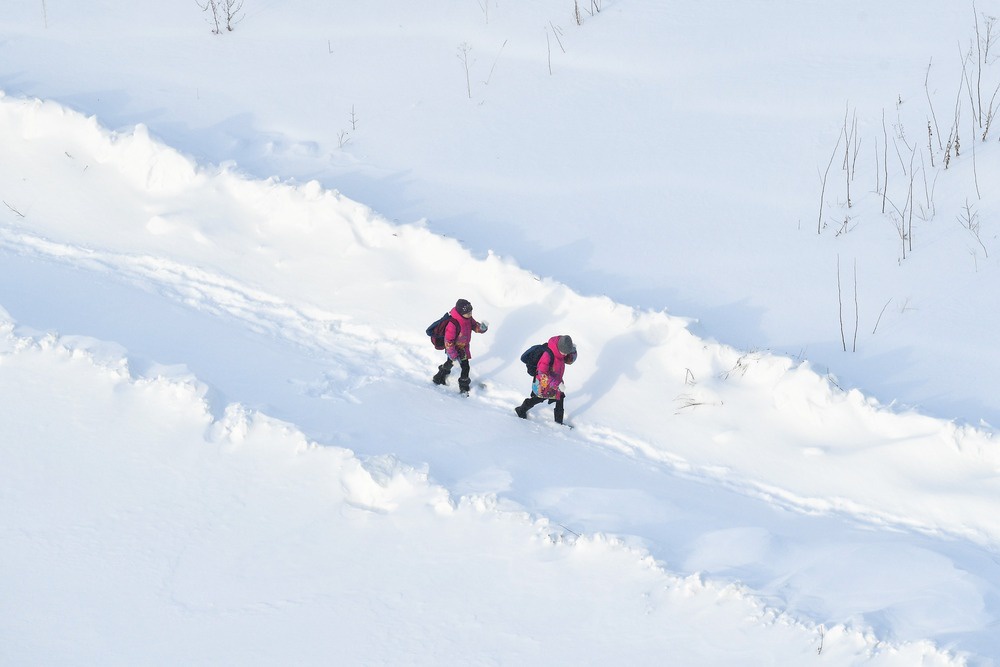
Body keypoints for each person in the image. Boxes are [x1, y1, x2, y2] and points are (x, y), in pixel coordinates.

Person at [515, 334, 576, 425]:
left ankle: (558, 423)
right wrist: (557, 384)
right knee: (538, 399)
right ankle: (521, 409)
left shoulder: (561, 352)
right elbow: (542, 373)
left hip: (555, 382)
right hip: (544, 384)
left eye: (567, 352)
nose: (565, 355)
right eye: (564, 352)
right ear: (559, 348)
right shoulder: (548, 355)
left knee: (560, 398)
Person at [432, 298, 488, 394]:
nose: (470, 314)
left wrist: (481, 328)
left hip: (463, 349)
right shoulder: (453, 323)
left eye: (471, 312)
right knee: (453, 363)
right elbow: (448, 341)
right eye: (468, 313)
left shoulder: (469, 319)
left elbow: (475, 326)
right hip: (453, 349)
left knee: (464, 366)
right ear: (461, 312)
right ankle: (442, 378)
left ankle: (461, 385)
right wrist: (453, 355)